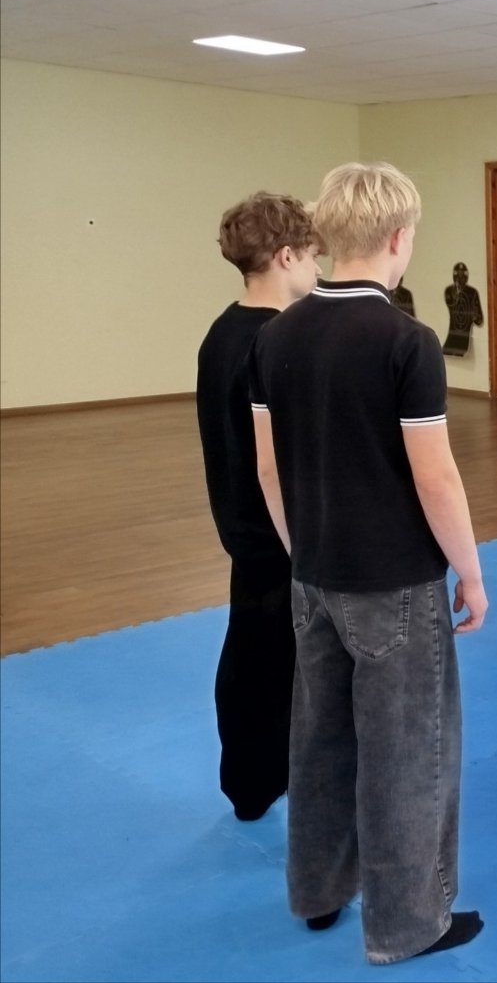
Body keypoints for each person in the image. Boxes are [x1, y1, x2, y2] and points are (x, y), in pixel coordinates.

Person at [250, 162, 487, 964]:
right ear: (397, 237)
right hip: (396, 585)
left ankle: (318, 891)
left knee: (319, 740)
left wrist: (305, 552)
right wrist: (471, 572)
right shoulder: (405, 341)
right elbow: (435, 476)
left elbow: (269, 470)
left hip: (312, 576)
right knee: (408, 751)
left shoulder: (275, 335)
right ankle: (408, 924)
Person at [196, 191, 321, 822]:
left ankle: (253, 781)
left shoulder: (222, 331)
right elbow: (275, 462)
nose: (318, 269)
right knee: (274, 660)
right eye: (313, 256)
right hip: (277, 531)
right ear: (287, 255)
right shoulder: (274, 341)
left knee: (253, 650)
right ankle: (257, 781)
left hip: (240, 524)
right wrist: (303, 545)